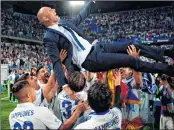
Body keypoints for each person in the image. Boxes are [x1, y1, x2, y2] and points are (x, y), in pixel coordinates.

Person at [37, 1, 174, 99]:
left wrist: (92, 2)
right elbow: (56, 62)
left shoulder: (63, 23)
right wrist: (65, 86)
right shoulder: (49, 37)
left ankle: (166, 53)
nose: (54, 10)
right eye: (50, 10)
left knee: (133, 46)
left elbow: (79, 17)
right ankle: (167, 69)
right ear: (45, 18)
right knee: (131, 60)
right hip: (90, 60)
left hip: (97, 47)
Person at [9, 80, 87, 129]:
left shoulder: (12, 115)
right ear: (28, 95)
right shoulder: (40, 111)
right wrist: (78, 110)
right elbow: (63, 127)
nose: (35, 92)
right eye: (33, 90)